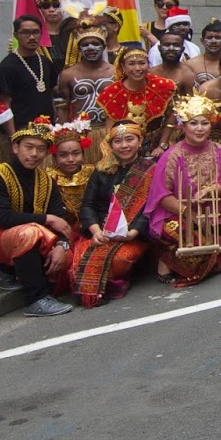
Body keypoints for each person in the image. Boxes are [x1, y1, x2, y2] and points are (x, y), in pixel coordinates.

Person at [0, 118, 74, 317]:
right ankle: (35, 299)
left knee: (66, 257)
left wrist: (61, 245)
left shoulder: (47, 180)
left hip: (20, 236)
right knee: (29, 233)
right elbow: (4, 219)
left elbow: (61, 219)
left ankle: (9, 271)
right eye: (28, 147)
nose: (34, 154)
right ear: (15, 147)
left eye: (40, 149)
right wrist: (47, 219)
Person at [68, 118, 157, 308]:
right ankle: (108, 285)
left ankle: (117, 279)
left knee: (119, 260)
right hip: (100, 231)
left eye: (129, 139)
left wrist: (133, 232)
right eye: (118, 141)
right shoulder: (100, 171)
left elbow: (151, 207)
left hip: (132, 234)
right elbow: (87, 205)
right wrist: (95, 231)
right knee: (78, 266)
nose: (124, 146)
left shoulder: (151, 170)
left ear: (140, 141)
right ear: (111, 145)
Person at [147, 93, 221, 288]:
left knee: (220, 255)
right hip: (175, 213)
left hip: (208, 211)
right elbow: (161, 195)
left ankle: (180, 262)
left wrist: (213, 189)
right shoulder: (172, 155)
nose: (200, 128)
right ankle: (165, 261)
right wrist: (189, 214)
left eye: (205, 123)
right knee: (193, 244)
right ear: (183, 126)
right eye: (194, 123)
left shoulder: (219, 150)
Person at [0, 15, 60, 145]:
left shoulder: (46, 62)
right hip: (20, 134)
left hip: (46, 132)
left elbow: (52, 95)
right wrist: (14, 138)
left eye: (36, 32)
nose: (31, 37)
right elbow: (5, 105)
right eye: (26, 33)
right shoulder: (7, 66)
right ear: (16, 35)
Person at [98, 45, 177, 151]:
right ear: (123, 67)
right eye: (131, 64)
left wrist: (162, 144)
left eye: (142, 63)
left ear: (148, 65)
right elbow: (110, 130)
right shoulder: (112, 93)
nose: (137, 68)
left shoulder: (163, 86)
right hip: (125, 147)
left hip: (157, 145)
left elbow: (171, 116)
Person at [55, 25, 116, 128]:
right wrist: (62, 134)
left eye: (95, 44)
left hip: (111, 131)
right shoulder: (67, 75)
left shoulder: (116, 72)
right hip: (81, 132)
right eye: (85, 45)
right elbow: (62, 108)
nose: (90, 48)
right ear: (79, 48)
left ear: (104, 46)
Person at [45, 121, 94, 227]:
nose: (70, 159)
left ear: (83, 153)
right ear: (55, 158)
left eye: (76, 153)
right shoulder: (48, 178)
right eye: (63, 155)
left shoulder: (93, 173)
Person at [150, 30, 201, 96]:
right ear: (159, 48)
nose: (171, 48)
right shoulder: (151, 73)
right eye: (167, 45)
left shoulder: (188, 76)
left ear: (182, 49)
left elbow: (195, 103)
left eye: (176, 45)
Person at [37, 0, 68, 64]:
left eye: (56, 5)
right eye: (46, 6)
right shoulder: (35, 35)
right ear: (40, 8)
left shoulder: (74, 34)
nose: (51, 9)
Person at [193, 20, 221, 86]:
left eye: (217, 38)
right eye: (209, 38)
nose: (213, 41)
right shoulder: (191, 65)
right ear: (202, 41)